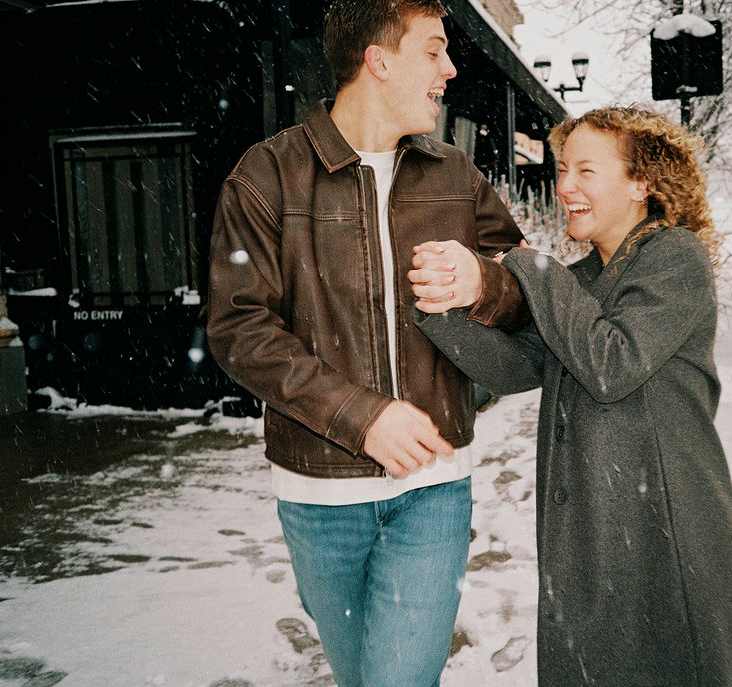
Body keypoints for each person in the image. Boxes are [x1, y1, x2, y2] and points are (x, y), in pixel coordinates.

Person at [205, 1, 530, 685]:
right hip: (317, 495)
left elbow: (530, 291)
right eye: (435, 49)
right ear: (378, 61)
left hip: (434, 489)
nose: (450, 68)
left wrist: (485, 282)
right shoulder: (265, 176)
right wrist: (363, 416)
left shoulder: (455, 175)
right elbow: (240, 328)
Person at [409, 105, 732, 685]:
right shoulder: (587, 276)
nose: (565, 187)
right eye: (562, 169)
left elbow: (612, 362)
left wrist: (531, 266)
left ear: (643, 183)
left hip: (661, 522)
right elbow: (518, 366)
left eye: (586, 171)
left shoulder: (674, 258)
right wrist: (440, 309)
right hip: (591, 521)